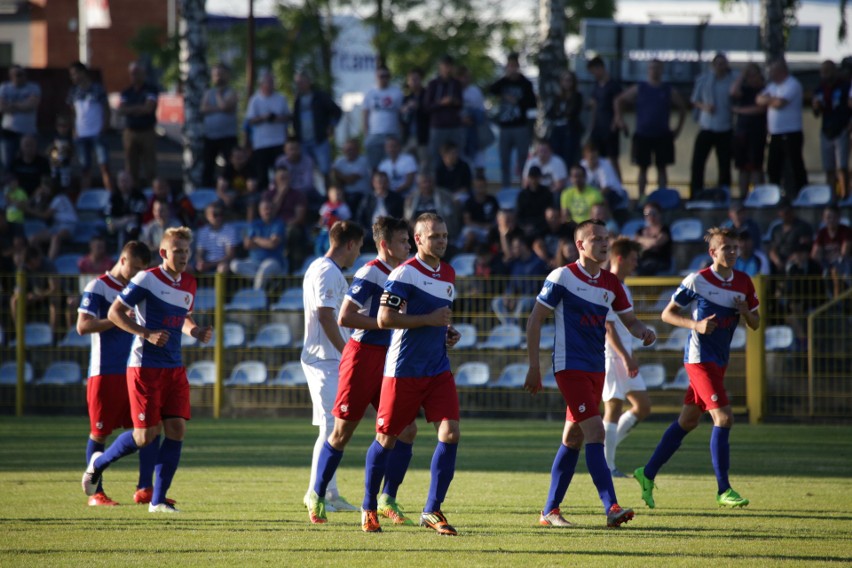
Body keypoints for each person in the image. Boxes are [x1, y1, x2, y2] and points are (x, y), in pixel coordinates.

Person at [524, 219, 655, 527]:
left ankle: (549, 511)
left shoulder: (612, 284)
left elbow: (631, 322)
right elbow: (535, 319)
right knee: (595, 432)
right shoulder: (562, 277)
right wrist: (533, 366)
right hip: (569, 367)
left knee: (573, 437)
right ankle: (611, 507)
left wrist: (644, 333)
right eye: (596, 239)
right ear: (580, 245)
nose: (604, 243)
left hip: (597, 368)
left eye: (606, 238)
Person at [82, 227, 213, 513]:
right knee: (146, 435)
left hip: (174, 367)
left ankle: (158, 500)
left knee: (177, 429)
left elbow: (183, 318)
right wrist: (146, 333)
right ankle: (98, 463)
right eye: (177, 251)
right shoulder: (146, 278)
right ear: (164, 252)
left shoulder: (190, 283)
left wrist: (197, 330)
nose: (183, 257)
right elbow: (116, 312)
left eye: (186, 252)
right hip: (145, 368)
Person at [634, 227, 760, 510]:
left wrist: (745, 312)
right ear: (712, 252)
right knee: (724, 418)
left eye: (735, 247)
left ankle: (647, 472)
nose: (732, 252)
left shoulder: (744, 282)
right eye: (726, 247)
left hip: (720, 361)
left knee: (688, 421)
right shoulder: (698, 280)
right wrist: (696, 325)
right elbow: (667, 314)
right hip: (699, 360)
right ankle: (723, 490)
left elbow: (756, 323)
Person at [307, 217, 420, 530]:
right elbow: (345, 316)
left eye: (409, 241)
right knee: (343, 432)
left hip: (391, 359)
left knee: (406, 430)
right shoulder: (371, 272)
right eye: (402, 241)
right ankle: (317, 493)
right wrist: (385, 323)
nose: (409, 246)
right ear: (385, 245)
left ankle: (386, 499)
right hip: (362, 358)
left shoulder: (406, 273)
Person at [368, 212, 462, 536]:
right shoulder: (402, 274)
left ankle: (432, 510)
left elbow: (437, 317)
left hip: (437, 368)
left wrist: (447, 330)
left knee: (450, 433)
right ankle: (369, 508)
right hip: (403, 370)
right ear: (418, 239)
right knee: (386, 439)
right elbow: (384, 319)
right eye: (435, 236)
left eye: (445, 236)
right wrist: (431, 320)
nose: (442, 241)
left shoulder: (448, 273)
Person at [77, 241, 155, 506]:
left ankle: (145, 489)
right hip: (104, 372)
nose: (136, 275)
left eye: (141, 270)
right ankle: (96, 493)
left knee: (148, 427)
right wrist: (118, 317)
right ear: (122, 260)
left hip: (135, 370)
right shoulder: (98, 287)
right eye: (134, 268)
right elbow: (82, 326)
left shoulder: (138, 289)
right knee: (99, 433)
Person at [301, 220, 365, 514]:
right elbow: (326, 316)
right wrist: (347, 351)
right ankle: (319, 493)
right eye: (360, 246)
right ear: (350, 244)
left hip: (328, 358)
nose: (359, 253)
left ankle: (329, 491)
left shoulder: (321, 268)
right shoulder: (326, 271)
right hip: (324, 359)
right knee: (330, 427)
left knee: (332, 427)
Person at [602, 238, 652, 477]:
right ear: (620, 258)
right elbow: (608, 329)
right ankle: (608, 466)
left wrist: (641, 336)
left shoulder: (624, 287)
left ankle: (604, 451)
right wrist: (625, 357)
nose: (636, 264)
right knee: (613, 408)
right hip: (612, 357)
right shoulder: (609, 286)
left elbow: (627, 323)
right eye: (633, 259)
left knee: (642, 407)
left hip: (624, 356)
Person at [614, 59, 687, 198]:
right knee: (642, 168)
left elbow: (682, 107)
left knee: (662, 168)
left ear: (662, 70)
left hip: (662, 135)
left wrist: (678, 129)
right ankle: (642, 197)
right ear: (648, 70)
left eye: (657, 68)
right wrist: (619, 119)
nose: (655, 70)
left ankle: (662, 197)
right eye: (652, 68)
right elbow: (618, 100)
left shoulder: (667, 89)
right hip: (643, 134)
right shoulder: (640, 88)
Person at [756, 58, 807, 196]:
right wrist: (772, 100)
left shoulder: (792, 84)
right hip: (775, 133)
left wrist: (770, 100)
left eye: (773, 71)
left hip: (791, 132)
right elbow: (759, 99)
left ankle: (800, 193)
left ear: (781, 71)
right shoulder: (773, 86)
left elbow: (780, 103)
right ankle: (775, 195)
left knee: (795, 165)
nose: (771, 74)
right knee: (773, 166)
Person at [690, 53, 734, 199]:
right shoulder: (704, 80)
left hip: (725, 128)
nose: (720, 66)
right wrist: (705, 107)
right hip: (707, 127)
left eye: (723, 63)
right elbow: (694, 100)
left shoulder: (731, 81)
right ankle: (696, 192)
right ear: (713, 65)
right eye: (718, 64)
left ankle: (724, 193)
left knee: (724, 164)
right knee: (698, 162)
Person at [489, 52, 537, 187]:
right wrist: (506, 78)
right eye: (510, 66)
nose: (512, 68)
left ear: (518, 66)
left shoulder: (525, 83)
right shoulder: (503, 83)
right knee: (505, 160)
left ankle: (523, 186)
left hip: (520, 127)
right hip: (505, 127)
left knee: (522, 159)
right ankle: (506, 187)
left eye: (514, 66)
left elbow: (532, 104)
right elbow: (491, 90)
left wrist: (517, 101)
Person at [67, 61, 112, 191]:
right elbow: (73, 112)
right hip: (81, 134)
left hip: (97, 133)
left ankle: (111, 196)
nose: (73, 77)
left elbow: (106, 109)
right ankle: (84, 197)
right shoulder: (74, 91)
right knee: (84, 168)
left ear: (83, 72)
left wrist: (105, 126)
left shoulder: (97, 89)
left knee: (104, 165)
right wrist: (74, 129)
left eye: (75, 74)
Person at [812, 60, 851, 200]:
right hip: (826, 129)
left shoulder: (845, 86)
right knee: (829, 167)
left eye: (828, 71)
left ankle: (844, 194)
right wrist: (816, 106)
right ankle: (831, 195)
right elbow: (816, 113)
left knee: (842, 165)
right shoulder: (820, 88)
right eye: (823, 71)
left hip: (841, 128)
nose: (825, 74)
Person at [292, 71, 342, 180]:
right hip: (303, 142)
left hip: (320, 140)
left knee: (324, 170)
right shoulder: (297, 100)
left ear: (309, 82)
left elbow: (337, 111)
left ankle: (329, 194)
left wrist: (331, 125)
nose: (300, 85)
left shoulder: (320, 96)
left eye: (302, 82)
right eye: (298, 83)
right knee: (307, 172)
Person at [245, 72, 290, 190]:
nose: (270, 85)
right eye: (268, 83)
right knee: (262, 174)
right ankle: (263, 199)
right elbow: (250, 121)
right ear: (261, 84)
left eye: (272, 82)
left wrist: (276, 118)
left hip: (278, 142)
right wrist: (263, 117)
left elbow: (288, 117)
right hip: (261, 144)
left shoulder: (281, 98)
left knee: (280, 172)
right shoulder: (255, 100)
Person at [118, 62, 159, 188]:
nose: (134, 77)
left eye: (137, 73)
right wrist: (139, 108)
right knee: (131, 166)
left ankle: (150, 191)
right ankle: (133, 192)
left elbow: (148, 109)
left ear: (143, 74)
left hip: (147, 131)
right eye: (132, 74)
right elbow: (121, 110)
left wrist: (131, 109)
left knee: (150, 165)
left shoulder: (151, 90)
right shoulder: (126, 92)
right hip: (130, 132)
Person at [230, 197, 286, 289]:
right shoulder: (254, 224)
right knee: (234, 265)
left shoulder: (278, 223)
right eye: (265, 209)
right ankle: (267, 283)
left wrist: (255, 239)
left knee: (264, 270)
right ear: (260, 211)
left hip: (274, 261)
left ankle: (257, 298)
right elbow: (247, 245)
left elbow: (272, 244)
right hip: (254, 262)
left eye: (270, 208)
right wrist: (266, 241)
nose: (268, 211)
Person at [730, 63, 767, 198]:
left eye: (753, 74)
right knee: (742, 167)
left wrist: (738, 110)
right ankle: (743, 196)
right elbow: (733, 92)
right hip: (742, 132)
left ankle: (760, 196)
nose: (751, 78)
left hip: (757, 132)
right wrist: (742, 75)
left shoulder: (764, 90)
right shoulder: (744, 90)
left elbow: (760, 109)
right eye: (749, 75)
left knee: (756, 166)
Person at [585, 56, 623, 182]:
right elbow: (594, 108)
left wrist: (616, 121)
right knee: (597, 158)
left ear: (600, 68)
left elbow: (619, 104)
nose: (593, 75)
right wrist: (591, 126)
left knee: (612, 158)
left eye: (594, 71)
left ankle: (618, 186)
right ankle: (600, 182)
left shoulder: (613, 85)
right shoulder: (596, 86)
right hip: (598, 128)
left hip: (610, 127)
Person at [201, 64, 239, 187]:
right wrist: (220, 108)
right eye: (216, 75)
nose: (218, 77)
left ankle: (230, 187)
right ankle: (207, 189)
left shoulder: (232, 92)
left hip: (228, 136)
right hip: (210, 136)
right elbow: (203, 109)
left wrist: (218, 97)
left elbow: (226, 106)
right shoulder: (208, 92)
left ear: (227, 75)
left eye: (221, 74)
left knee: (230, 164)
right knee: (208, 165)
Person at [424, 55, 466, 168]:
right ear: (440, 67)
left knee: (457, 155)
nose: (447, 69)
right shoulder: (433, 84)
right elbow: (427, 106)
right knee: (435, 157)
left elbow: (461, 104)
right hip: (438, 126)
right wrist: (441, 103)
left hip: (454, 125)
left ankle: (457, 181)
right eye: (445, 66)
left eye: (450, 66)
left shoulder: (456, 84)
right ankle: (437, 182)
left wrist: (453, 101)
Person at [25, 178, 78, 259]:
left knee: (55, 238)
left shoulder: (60, 198)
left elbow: (45, 215)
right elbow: (37, 207)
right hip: (56, 225)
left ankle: (50, 263)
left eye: (45, 188)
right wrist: (36, 196)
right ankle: (40, 261)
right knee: (33, 239)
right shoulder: (48, 199)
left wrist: (28, 210)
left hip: (68, 225)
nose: (44, 190)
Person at [0, 65, 40, 171]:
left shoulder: (33, 87)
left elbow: (31, 105)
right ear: (11, 76)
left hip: (27, 131)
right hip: (9, 130)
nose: (21, 77)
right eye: (17, 75)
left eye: (22, 74)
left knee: (28, 160)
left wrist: (12, 105)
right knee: (7, 162)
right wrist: (22, 104)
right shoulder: (4, 87)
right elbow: (2, 107)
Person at [363, 66, 403, 170]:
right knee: (373, 165)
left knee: (392, 165)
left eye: (386, 76)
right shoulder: (370, 92)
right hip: (374, 134)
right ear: (376, 77)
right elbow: (365, 114)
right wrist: (366, 133)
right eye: (381, 76)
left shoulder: (397, 92)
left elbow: (400, 114)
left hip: (392, 133)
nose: (383, 78)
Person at [355, 171, 405, 250]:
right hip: (371, 231)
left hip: (390, 230)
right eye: (379, 182)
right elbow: (360, 218)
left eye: (384, 182)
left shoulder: (396, 198)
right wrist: (365, 230)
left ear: (388, 183)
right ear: (373, 183)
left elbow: (400, 217)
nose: (381, 185)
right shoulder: (367, 199)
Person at [548, 70, 584, 170]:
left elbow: (572, 113)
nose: (567, 83)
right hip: (557, 130)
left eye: (569, 80)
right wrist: (560, 114)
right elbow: (551, 113)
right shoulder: (557, 97)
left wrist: (560, 114)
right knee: (556, 155)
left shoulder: (577, 96)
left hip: (570, 131)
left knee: (569, 156)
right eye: (565, 80)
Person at [768, 200, 814, 274]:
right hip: (780, 261)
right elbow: (772, 250)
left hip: (796, 261)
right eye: (782, 212)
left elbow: (806, 250)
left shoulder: (803, 227)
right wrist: (777, 261)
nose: (785, 214)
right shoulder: (777, 229)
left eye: (787, 212)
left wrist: (793, 258)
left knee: (794, 267)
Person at [195, 203, 239, 274]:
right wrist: (200, 262)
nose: (218, 217)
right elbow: (199, 253)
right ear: (207, 216)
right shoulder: (202, 231)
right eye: (215, 214)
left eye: (220, 214)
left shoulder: (230, 230)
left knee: (222, 268)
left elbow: (230, 255)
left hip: (223, 264)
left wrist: (209, 265)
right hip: (207, 264)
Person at [106, 171, 148, 246]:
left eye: (126, 181)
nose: (124, 183)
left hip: (133, 227)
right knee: (109, 227)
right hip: (116, 225)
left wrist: (122, 221)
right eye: (121, 181)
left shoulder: (139, 196)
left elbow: (137, 216)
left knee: (131, 227)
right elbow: (108, 216)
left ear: (132, 182)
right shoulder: (114, 197)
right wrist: (110, 222)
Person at [216, 145, 258, 220]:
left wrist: (236, 196)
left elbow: (251, 189)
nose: (239, 159)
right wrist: (225, 197)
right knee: (216, 202)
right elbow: (219, 189)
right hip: (230, 196)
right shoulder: (227, 169)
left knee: (252, 200)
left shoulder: (251, 168)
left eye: (241, 157)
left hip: (245, 196)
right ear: (231, 158)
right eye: (236, 157)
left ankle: (249, 227)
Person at [459, 176, 499, 251]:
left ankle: (492, 255)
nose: (480, 188)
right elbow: (467, 221)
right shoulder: (469, 202)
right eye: (478, 186)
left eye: (482, 186)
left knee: (495, 234)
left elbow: (498, 216)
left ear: (486, 186)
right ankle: (464, 254)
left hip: (489, 228)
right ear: (474, 187)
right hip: (473, 228)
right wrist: (483, 226)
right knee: (470, 235)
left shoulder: (492, 200)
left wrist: (493, 225)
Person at [400, 67, 430, 169]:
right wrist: (404, 111)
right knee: (408, 165)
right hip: (408, 137)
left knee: (424, 165)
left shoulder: (427, 95)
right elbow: (403, 118)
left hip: (423, 138)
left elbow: (431, 113)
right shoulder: (407, 98)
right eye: (411, 79)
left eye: (416, 79)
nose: (413, 82)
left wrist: (419, 107)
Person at [331, 138, 371, 212]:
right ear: (343, 150)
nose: (350, 152)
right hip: (344, 194)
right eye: (347, 149)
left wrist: (337, 173)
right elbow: (333, 176)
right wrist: (336, 174)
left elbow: (350, 180)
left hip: (361, 194)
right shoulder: (339, 161)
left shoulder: (363, 161)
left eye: (352, 149)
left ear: (357, 150)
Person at [635, 202, 672, 276]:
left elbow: (657, 242)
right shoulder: (640, 230)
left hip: (660, 261)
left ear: (659, 214)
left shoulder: (665, 230)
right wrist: (651, 242)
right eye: (647, 214)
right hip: (643, 261)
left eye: (653, 213)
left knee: (649, 265)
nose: (650, 216)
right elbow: (636, 244)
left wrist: (643, 240)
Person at [516, 165, 552, 235]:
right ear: (528, 178)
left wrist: (536, 225)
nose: (533, 180)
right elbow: (519, 215)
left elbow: (548, 213)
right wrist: (524, 226)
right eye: (532, 177)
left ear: (540, 178)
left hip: (542, 227)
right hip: (525, 227)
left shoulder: (546, 193)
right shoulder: (522, 195)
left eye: (536, 177)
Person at [47, 115, 74, 192]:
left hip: (65, 164)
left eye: (65, 126)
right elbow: (48, 151)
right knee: (53, 180)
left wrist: (68, 150)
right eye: (60, 125)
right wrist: (53, 156)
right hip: (55, 163)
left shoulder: (70, 138)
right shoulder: (54, 137)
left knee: (65, 183)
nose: (62, 128)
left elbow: (72, 153)